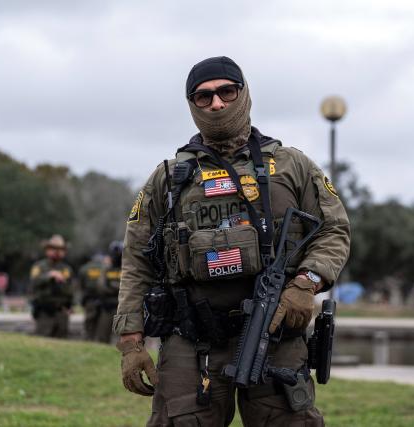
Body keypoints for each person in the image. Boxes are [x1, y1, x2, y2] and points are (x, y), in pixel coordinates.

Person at [113, 56, 350, 426]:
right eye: (203, 97)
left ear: (244, 94)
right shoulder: (169, 177)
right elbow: (137, 259)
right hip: (192, 339)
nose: (217, 104)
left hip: (277, 333)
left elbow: (334, 229)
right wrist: (130, 341)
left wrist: (307, 283)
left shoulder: (291, 165)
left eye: (226, 91)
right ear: (191, 104)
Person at [29, 234, 74, 338]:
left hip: (61, 312)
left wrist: (70, 305)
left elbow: (70, 289)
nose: (57, 252)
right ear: (47, 250)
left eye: (60, 249)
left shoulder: (66, 269)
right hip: (45, 312)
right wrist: (49, 275)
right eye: (54, 249)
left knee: (62, 343)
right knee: (42, 341)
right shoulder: (39, 266)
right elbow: (33, 282)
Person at [79, 241, 123, 343]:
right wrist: (118, 288)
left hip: (122, 307)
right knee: (103, 337)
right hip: (107, 307)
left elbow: (129, 287)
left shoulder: (127, 269)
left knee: (123, 339)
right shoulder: (106, 270)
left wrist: (112, 287)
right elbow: (101, 287)